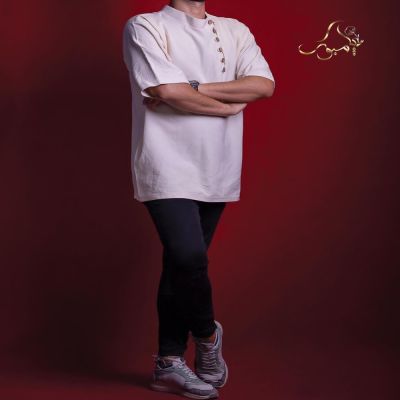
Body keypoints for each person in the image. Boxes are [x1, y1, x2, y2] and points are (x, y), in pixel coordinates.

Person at [122, 0, 275, 398]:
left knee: (180, 265)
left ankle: (167, 363)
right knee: (189, 256)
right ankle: (207, 336)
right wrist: (227, 108)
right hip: (164, 160)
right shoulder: (145, 25)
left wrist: (192, 88)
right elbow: (163, 90)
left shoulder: (235, 29)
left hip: (217, 162)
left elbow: (263, 85)